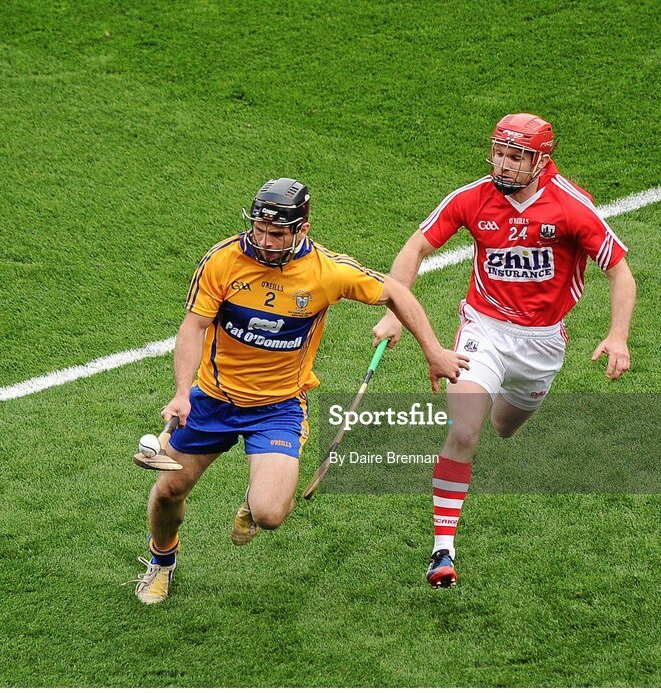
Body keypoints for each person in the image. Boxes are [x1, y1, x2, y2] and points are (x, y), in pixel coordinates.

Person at [130, 177, 468, 604]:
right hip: (213, 399)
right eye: (259, 229)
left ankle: (253, 505)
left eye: (277, 233)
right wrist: (182, 393)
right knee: (169, 491)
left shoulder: (327, 270)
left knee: (270, 514)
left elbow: (395, 292)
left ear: (301, 230)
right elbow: (192, 328)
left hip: (278, 407)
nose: (265, 240)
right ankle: (161, 562)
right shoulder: (222, 260)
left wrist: (433, 349)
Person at [372, 113, 637, 588]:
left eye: (516, 156)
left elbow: (620, 271)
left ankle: (505, 407)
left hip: (541, 345)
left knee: (504, 427)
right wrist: (394, 311)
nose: (504, 163)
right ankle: (442, 550)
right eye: (499, 152)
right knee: (464, 429)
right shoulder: (473, 198)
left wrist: (617, 336)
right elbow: (415, 248)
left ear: (541, 161)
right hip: (484, 330)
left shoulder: (572, 207)